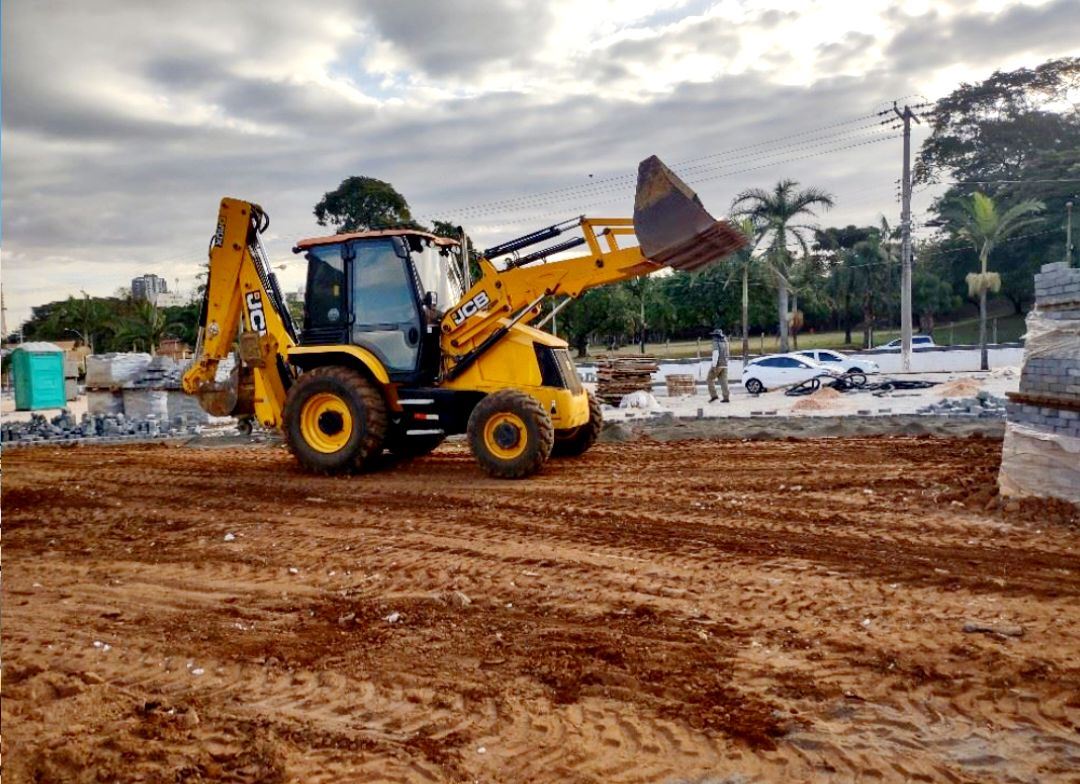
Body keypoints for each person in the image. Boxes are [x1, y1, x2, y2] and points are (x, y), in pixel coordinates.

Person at [707, 328, 729, 403]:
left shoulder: (716, 342)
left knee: (709, 379)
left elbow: (716, 354)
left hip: (718, 364)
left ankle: (714, 395)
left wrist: (714, 366)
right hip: (725, 363)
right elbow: (728, 354)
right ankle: (726, 397)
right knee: (723, 381)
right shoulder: (726, 341)